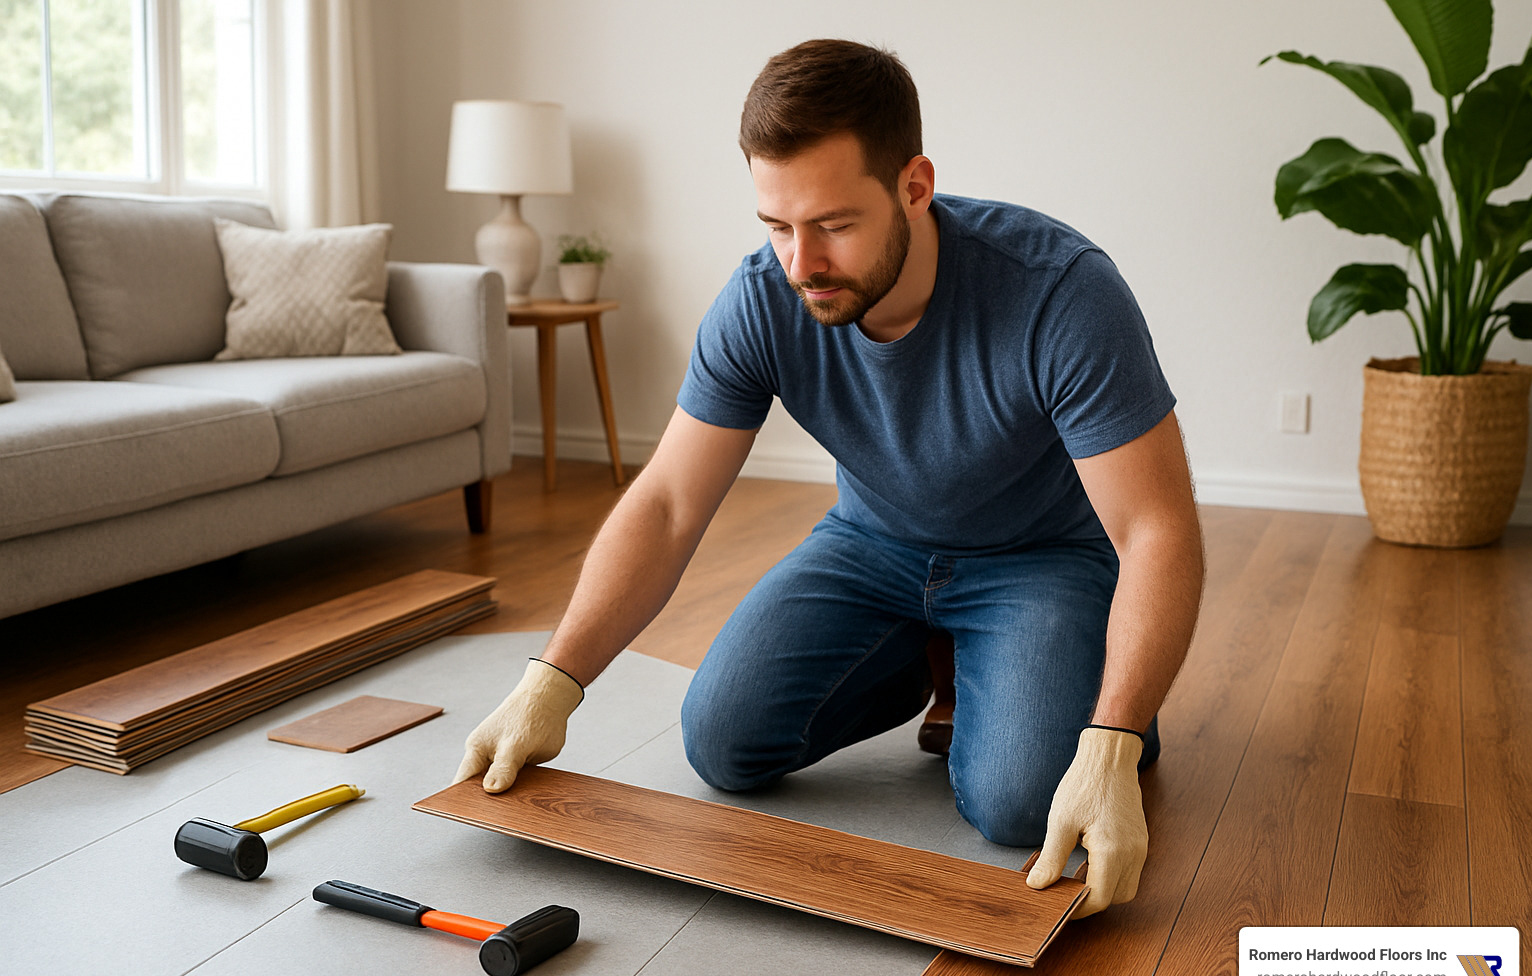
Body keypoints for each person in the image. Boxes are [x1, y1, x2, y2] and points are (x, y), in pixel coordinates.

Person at [455, 38, 1204, 919]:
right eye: (777, 226)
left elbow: (1156, 529)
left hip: (1039, 556)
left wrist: (1111, 739)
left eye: (835, 225)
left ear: (914, 186)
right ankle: (938, 659)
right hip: (873, 546)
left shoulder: (1060, 292)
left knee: (1019, 804)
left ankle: (1085, 687)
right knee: (722, 744)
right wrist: (552, 679)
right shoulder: (762, 299)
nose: (800, 263)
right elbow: (666, 503)